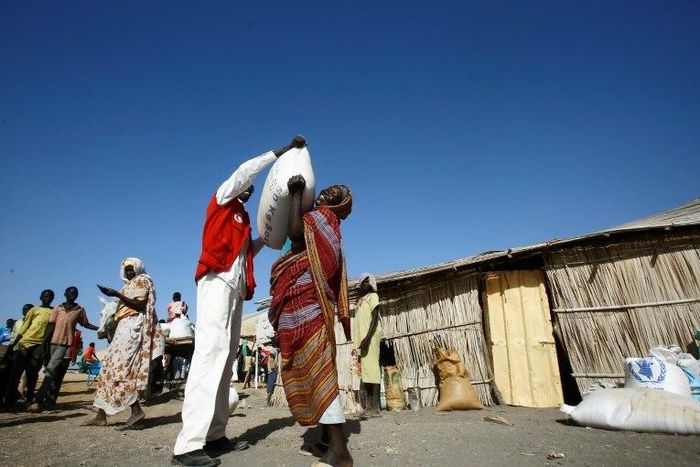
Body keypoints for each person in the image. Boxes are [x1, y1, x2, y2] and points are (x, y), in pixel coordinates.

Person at [172, 135, 306, 467]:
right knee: (210, 353)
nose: (250, 190)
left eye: (252, 190)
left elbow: (251, 249)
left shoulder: (243, 222)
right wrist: (282, 151)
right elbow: (245, 170)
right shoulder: (221, 199)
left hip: (235, 288)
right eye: (247, 187)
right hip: (215, 280)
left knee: (226, 356)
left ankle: (215, 436)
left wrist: (274, 229)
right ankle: (187, 446)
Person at [269, 174, 354, 467]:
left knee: (321, 374)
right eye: (332, 187)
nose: (331, 190)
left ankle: (340, 453)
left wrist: (294, 194)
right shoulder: (332, 230)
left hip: (308, 309)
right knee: (319, 370)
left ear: (339, 205)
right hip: (311, 308)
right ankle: (326, 440)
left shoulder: (322, 220)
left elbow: (295, 232)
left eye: (337, 192)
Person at [82, 258, 165, 428]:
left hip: (132, 325)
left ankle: (136, 411)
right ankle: (101, 415)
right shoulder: (128, 285)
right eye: (126, 270)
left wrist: (117, 295)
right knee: (108, 369)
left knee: (123, 370)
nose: (129, 272)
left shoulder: (142, 280)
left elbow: (140, 304)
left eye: (131, 269)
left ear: (138, 268)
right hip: (123, 326)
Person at [29, 287, 98, 411]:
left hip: (67, 346)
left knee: (58, 373)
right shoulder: (58, 308)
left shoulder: (79, 310)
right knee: (51, 371)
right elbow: (51, 326)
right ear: (65, 294)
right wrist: (43, 344)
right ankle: (39, 400)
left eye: (75, 293)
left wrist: (100, 329)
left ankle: (47, 400)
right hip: (53, 344)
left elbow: (85, 324)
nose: (73, 295)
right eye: (70, 293)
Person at [4, 292, 54, 408]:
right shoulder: (34, 310)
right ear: (41, 297)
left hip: (40, 346)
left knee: (32, 374)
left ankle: (29, 399)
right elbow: (24, 328)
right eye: (45, 296)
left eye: (50, 297)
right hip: (25, 343)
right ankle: (9, 401)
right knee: (16, 373)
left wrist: (45, 347)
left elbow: (51, 329)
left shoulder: (53, 312)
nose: (48, 298)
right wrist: (13, 346)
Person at [353, 273, 382, 415]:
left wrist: (367, 338)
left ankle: (375, 408)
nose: (362, 285)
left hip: (370, 338)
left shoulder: (373, 297)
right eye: (361, 283)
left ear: (370, 283)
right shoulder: (360, 300)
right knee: (366, 372)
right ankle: (369, 407)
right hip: (362, 340)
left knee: (373, 370)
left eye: (365, 283)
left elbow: (375, 318)